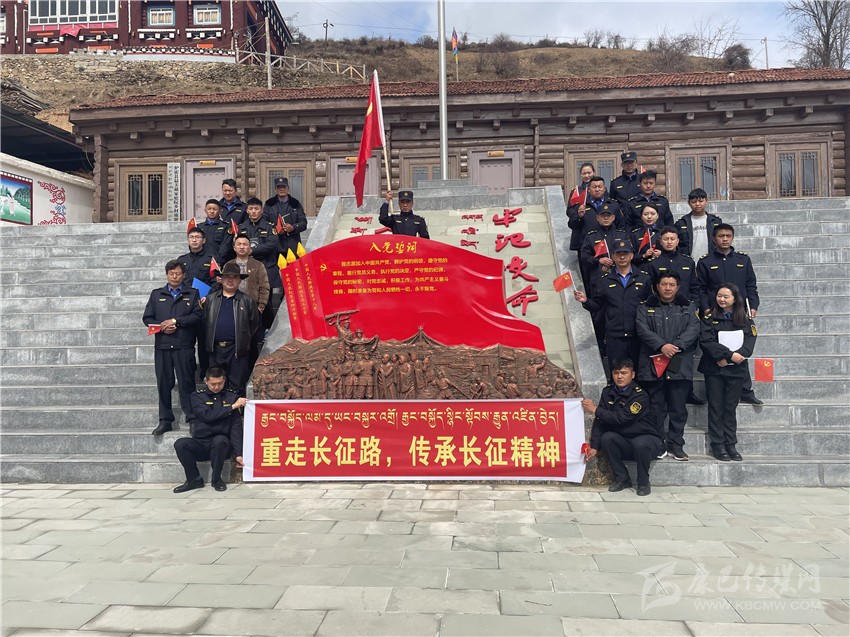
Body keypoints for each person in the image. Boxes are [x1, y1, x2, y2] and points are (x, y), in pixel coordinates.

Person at [635, 272, 700, 461]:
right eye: (664, 284)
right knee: (656, 409)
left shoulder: (688, 307)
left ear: (678, 287)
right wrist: (661, 345)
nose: (668, 288)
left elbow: (693, 329)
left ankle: (676, 445)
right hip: (653, 365)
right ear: (657, 286)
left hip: (679, 364)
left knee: (678, 409)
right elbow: (642, 329)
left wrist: (676, 346)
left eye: (672, 285)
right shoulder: (645, 307)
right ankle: (658, 445)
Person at [696, 223, 762, 404]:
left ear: (732, 238)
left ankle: (745, 390)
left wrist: (753, 305)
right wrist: (705, 308)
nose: (724, 239)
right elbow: (700, 288)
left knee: (739, 348)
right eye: (721, 236)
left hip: (738, 312)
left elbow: (751, 285)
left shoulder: (743, 260)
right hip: (716, 313)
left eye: (728, 236)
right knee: (718, 347)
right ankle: (715, 389)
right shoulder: (706, 261)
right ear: (714, 239)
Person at [581, 358, 663, 496]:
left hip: (647, 439)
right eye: (616, 373)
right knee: (607, 438)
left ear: (632, 374)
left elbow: (621, 418)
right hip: (625, 440)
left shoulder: (640, 396)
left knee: (640, 443)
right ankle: (622, 478)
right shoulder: (608, 392)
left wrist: (595, 409)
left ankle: (643, 483)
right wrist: (594, 445)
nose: (619, 377)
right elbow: (601, 420)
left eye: (624, 373)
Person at [697, 283, 757, 462]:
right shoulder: (709, 318)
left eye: (726, 296)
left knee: (730, 408)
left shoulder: (745, 319)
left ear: (735, 298)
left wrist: (731, 359)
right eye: (719, 296)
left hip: (736, 370)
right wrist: (728, 355)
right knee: (716, 407)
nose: (721, 299)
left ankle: (730, 444)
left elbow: (749, 343)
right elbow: (706, 342)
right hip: (714, 369)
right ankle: (718, 445)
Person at [142, 260, 203, 436]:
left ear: (184, 275)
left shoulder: (192, 293)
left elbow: (197, 316)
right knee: (163, 383)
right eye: (171, 273)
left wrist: (176, 321)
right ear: (167, 275)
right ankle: (165, 420)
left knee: (187, 383)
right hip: (162, 347)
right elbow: (147, 318)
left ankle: (192, 418)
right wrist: (162, 326)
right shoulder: (157, 294)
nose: (174, 276)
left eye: (178, 273)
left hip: (184, 346)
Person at [574, 239, 652, 372]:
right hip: (615, 336)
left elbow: (650, 305)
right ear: (613, 257)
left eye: (625, 254)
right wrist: (585, 301)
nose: (622, 257)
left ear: (631, 256)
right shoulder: (604, 280)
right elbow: (597, 305)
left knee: (638, 373)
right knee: (616, 372)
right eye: (618, 254)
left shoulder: (644, 278)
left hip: (638, 334)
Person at [172, 366, 246, 493]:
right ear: (206, 381)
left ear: (224, 380)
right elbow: (207, 416)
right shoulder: (197, 396)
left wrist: (239, 454)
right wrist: (231, 407)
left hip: (222, 446)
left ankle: (217, 479)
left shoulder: (231, 397)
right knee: (180, 444)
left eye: (220, 383)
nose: (216, 387)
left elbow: (236, 427)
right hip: (202, 442)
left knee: (220, 441)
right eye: (213, 384)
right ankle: (193, 479)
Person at [202, 262, 260, 396]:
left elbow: (254, 325)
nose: (230, 280)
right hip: (215, 350)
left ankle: (235, 409)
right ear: (221, 279)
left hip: (237, 350)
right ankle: (218, 409)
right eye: (227, 277)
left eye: (234, 277)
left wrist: (242, 340)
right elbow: (204, 323)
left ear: (240, 280)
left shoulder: (247, 301)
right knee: (216, 385)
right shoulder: (210, 300)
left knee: (236, 386)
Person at [645, 226, 700, 302]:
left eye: (672, 239)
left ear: (677, 241)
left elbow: (695, 287)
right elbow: (650, 289)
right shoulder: (653, 263)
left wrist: (694, 304)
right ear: (660, 242)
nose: (669, 242)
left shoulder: (688, 262)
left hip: (685, 305)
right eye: (666, 239)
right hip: (660, 306)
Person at [263, 176, 308, 259]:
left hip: (293, 244)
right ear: (275, 189)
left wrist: (293, 227)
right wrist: (275, 229)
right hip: (275, 245)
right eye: (279, 187)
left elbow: (303, 223)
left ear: (288, 188)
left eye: (284, 187)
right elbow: (264, 222)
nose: (282, 189)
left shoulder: (295, 204)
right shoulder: (269, 204)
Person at [675, 188, 722, 259]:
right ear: (689, 203)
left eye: (701, 201)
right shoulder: (682, 223)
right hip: (688, 261)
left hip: (711, 261)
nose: (697, 204)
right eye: (694, 202)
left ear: (706, 201)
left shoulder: (716, 222)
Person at [566, 162, 595, 251]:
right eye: (584, 173)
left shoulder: (600, 190)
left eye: (589, 173)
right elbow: (569, 211)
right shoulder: (576, 191)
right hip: (581, 231)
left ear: (594, 173)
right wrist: (578, 213)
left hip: (596, 231)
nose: (587, 176)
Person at [629, 205, 662, 269]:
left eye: (653, 214)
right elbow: (630, 256)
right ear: (641, 216)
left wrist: (662, 254)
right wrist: (643, 256)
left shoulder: (663, 233)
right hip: (641, 268)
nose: (649, 217)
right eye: (646, 214)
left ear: (657, 215)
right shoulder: (634, 235)